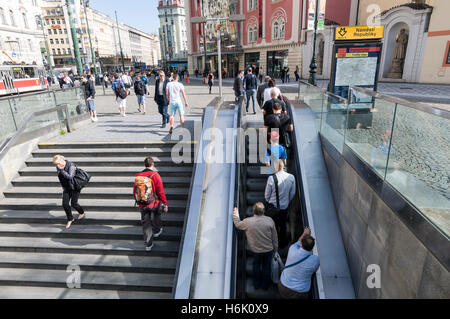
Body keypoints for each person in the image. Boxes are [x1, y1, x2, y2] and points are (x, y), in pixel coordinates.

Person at [233, 202, 278, 291]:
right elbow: (274, 237)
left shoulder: (248, 222)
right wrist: (275, 249)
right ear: (263, 211)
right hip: (268, 250)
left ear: (253, 211)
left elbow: (237, 224)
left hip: (256, 251)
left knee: (256, 266)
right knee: (266, 267)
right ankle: (265, 286)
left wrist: (235, 213)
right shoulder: (269, 220)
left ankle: (256, 285)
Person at [134, 157, 168, 252]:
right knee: (157, 212)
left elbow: (134, 191)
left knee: (146, 224)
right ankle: (157, 231)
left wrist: (139, 201)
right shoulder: (155, 175)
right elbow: (160, 192)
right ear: (152, 164)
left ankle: (148, 245)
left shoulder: (138, 176)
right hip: (153, 203)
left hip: (142, 204)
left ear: (144, 165)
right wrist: (165, 204)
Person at [279, 227, 319, 299]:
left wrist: (305, 233)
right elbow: (314, 270)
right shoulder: (315, 260)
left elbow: (298, 242)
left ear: (301, 244)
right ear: (312, 248)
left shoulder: (292, 249)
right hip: (299, 293)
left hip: (283, 286)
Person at [264, 159, 296, 248]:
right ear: (283, 167)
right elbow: (292, 193)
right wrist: (286, 202)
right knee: (283, 225)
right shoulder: (291, 177)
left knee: (273, 226)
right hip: (284, 207)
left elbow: (266, 196)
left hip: (273, 208)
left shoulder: (271, 178)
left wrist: (270, 202)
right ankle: (283, 243)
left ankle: (273, 244)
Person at [53, 155, 85, 229]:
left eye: (58, 163)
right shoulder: (58, 166)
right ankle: (70, 219)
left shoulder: (71, 166)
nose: (57, 165)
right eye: (56, 164)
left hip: (75, 187)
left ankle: (81, 212)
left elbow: (70, 176)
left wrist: (61, 170)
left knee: (74, 203)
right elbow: (61, 177)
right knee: (65, 204)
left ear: (62, 160)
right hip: (66, 188)